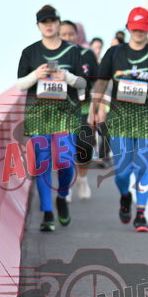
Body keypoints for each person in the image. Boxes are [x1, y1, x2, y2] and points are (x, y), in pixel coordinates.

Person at [89, 7, 148, 233]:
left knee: (142, 167)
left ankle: (141, 213)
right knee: (122, 171)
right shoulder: (114, 54)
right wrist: (94, 108)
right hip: (120, 120)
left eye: (143, 29)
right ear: (128, 27)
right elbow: (101, 82)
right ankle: (125, 195)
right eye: (135, 28)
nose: (139, 32)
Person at [16, 5, 86, 231]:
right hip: (38, 114)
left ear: (58, 23)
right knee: (42, 162)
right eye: (44, 22)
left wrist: (66, 77)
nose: (48, 25)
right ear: (38, 26)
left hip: (66, 115)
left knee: (65, 161)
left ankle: (62, 196)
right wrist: (36, 75)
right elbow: (20, 84)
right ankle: (47, 212)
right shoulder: (30, 52)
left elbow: (84, 83)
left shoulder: (73, 51)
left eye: (52, 21)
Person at [59, 20, 98, 200]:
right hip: (62, 108)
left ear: (77, 35)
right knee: (65, 150)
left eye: (71, 34)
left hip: (84, 106)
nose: (68, 37)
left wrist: (98, 107)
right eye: (63, 34)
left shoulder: (87, 54)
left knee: (85, 145)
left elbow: (97, 81)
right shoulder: (53, 55)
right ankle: (66, 186)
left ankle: (82, 179)